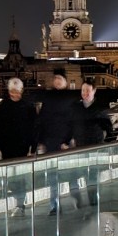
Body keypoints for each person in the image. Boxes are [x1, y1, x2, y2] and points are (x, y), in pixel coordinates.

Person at [0, 77, 36, 215]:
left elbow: (34, 129)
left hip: (22, 148)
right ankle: (18, 202)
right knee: (10, 178)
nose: (14, 94)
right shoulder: (3, 107)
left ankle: (20, 204)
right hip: (7, 147)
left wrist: (33, 148)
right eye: (12, 91)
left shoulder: (28, 107)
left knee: (20, 178)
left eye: (16, 91)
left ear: (21, 91)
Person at [35, 70, 75, 215]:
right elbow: (41, 120)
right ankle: (54, 206)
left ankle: (77, 200)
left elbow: (73, 121)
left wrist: (67, 140)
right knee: (53, 176)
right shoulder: (49, 97)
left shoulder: (70, 98)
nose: (57, 81)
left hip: (66, 143)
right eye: (55, 78)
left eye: (60, 78)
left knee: (71, 174)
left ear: (65, 81)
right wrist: (41, 140)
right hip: (51, 141)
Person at [71, 82, 113, 207]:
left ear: (94, 91)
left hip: (95, 147)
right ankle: (78, 199)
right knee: (75, 176)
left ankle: (93, 202)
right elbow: (70, 125)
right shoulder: (76, 107)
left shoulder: (99, 108)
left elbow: (109, 127)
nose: (85, 93)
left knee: (92, 177)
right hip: (79, 147)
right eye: (83, 90)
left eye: (88, 90)